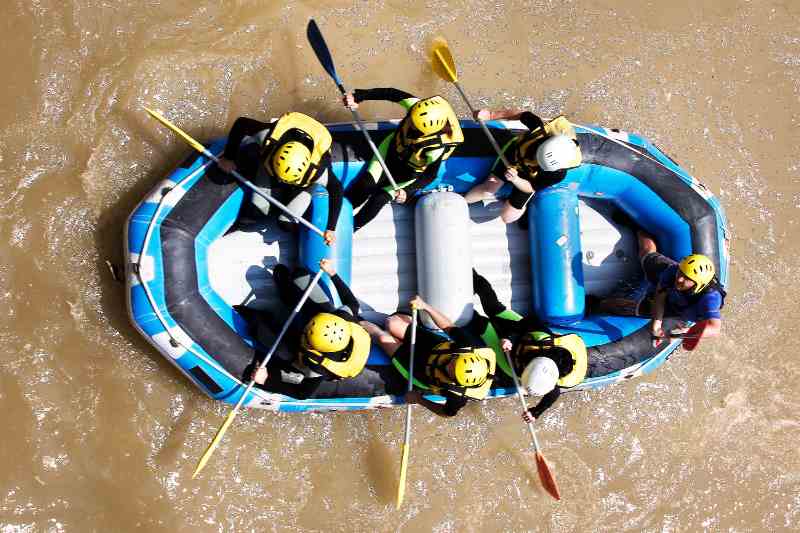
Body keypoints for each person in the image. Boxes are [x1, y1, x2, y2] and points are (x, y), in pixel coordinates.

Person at [235, 259, 373, 398]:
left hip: (299, 352)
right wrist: (332, 273)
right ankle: (287, 294)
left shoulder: (317, 368)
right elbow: (350, 300)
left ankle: (259, 318)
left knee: (262, 333)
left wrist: (265, 381)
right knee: (300, 277)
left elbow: (302, 393)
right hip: (321, 324)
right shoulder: (344, 316)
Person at [468, 269, 588, 422]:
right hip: (523, 333)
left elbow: (554, 393)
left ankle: (457, 305)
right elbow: (526, 323)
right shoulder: (542, 338)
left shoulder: (549, 377)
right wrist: (508, 337)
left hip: (510, 360)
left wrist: (536, 412)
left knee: (480, 324)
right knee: (493, 308)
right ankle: (473, 276)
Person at [342, 89, 464, 231]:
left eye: (414, 126)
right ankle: (340, 213)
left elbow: (429, 176)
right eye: (411, 120)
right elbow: (391, 93)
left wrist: (407, 191)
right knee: (366, 184)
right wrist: (357, 96)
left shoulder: (435, 149)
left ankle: (351, 228)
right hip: (390, 149)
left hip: (409, 172)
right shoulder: (417, 108)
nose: (410, 124)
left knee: (380, 199)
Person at [217, 112, 341, 245]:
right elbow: (241, 123)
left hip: (303, 182)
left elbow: (337, 190)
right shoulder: (267, 137)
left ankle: (289, 202)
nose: (282, 182)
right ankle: (273, 189)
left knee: (286, 224)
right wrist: (228, 157)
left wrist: (331, 228)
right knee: (257, 211)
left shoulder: (318, 171)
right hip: (271, 166)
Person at [364, 295, 496, 417]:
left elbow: (447, 413)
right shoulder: (469, 345)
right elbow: (448, 326)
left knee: (382, 338)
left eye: (452, 371)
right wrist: (425, 306)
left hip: (424, 373)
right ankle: (407, 317)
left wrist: (420, 400)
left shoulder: (458, 396)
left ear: (457, 381)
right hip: (434, 347)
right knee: (391, 323)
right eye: (454, 362)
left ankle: (360, 325)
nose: (449, 365)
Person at [464, 108, 582, 224]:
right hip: (514, 157)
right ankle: (463, 202)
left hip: (528, 178)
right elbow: (521, 114)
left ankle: (525, 207)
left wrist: (516, 179)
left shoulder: (557, 173)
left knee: (507, 218)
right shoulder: (540, 129)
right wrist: (490, 115)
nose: (535, 159)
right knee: (488, 189)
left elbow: (530, 187)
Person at [637, 232, 724, 347]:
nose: (679, 279)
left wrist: (685, 334)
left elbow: (714, 328)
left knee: (626, 308)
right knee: (646, 253)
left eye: (686, 278)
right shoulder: (673, 271)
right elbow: (660, 295)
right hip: (671, 293)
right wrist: (656, 325)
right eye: (681, 273)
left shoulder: (710, 298)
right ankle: (639, 229)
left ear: (697, 284)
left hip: (680, 310)